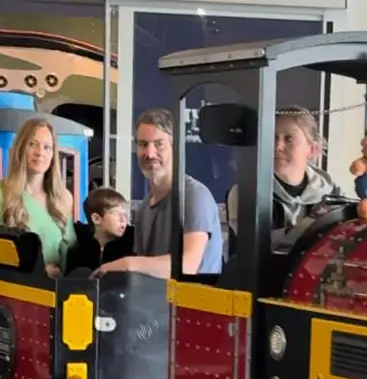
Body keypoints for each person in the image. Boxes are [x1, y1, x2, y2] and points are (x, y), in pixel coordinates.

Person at [94, 109, 222, 279]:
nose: (150, 153)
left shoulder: (194, 196)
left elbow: (188, 265)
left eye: (159, 144)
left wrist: (127, 264)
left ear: (175, 147)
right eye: (143, 144)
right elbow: (144, 275)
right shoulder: (144, 208)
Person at [224, 106, 339, 249]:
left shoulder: (332, 194)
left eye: (289, 139)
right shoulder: (246, 192)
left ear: (312, 149)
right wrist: (310, 225)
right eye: (273, 137)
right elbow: (254, 244)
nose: (278, 146)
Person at [0, 118, 75, 277]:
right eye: (32, 144)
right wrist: (39, 272)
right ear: (20, 148)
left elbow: (71, 250)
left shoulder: (64, 198)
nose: (40, 152)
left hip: (61, 290)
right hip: (14, 293)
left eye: (47, 147)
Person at [64, 187, 134, 274]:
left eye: (124, 214)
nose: (123, 220)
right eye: (117, 214)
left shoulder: (131, 246)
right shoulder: (78, 251)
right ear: (96, 218)